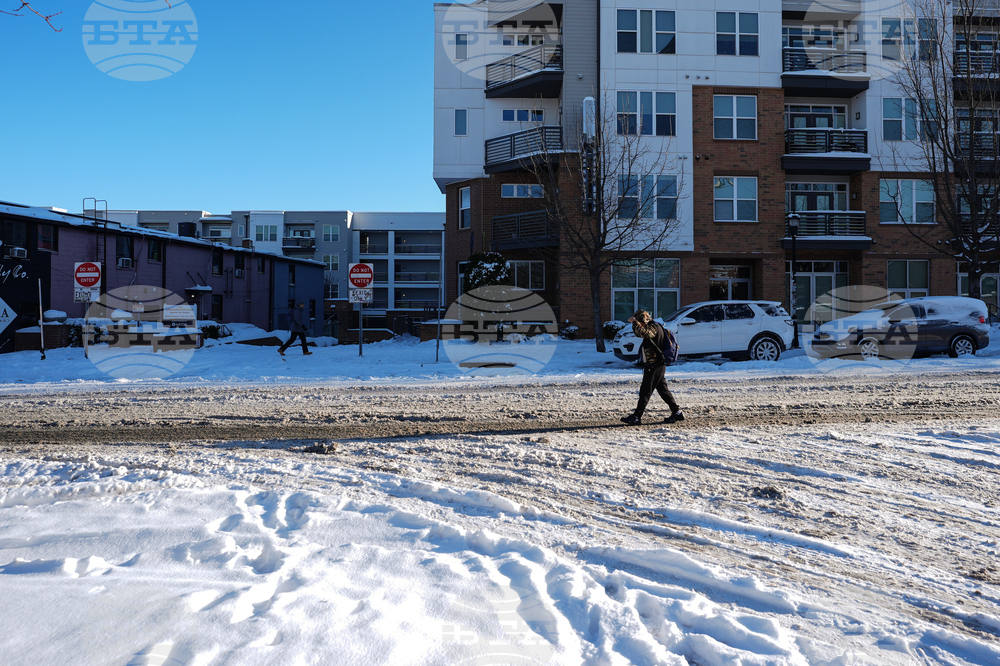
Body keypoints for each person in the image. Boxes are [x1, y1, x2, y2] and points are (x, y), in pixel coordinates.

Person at [620, 309, 684, 426]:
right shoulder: (655, 326)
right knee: (663, 391)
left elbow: (644, 333)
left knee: (645, 391)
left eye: (641, 322)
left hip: (655, 365)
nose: (640, 325)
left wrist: (634, 322)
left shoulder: (654, 327)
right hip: (657, 365)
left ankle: (637, 416)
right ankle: (677, 412)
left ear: (643, 320)